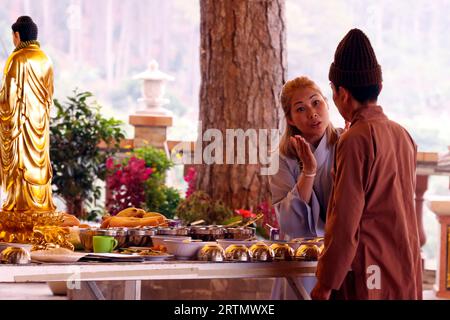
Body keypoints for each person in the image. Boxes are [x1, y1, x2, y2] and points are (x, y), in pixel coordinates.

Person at [311, 28, 422, 300]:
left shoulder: (355, 139)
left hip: (369, 272)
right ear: (379, 88)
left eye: (333, 92)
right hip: (404, 268)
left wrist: (325, 283)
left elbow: (345, 221)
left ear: (343, 94)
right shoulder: (402, 134)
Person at [269, 76, 342, 297]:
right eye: (300, 109)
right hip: (302, 256)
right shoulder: (280, 158)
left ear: (327, 103)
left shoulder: (346, 142)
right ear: (290, 119)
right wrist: (308, 171)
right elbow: (290, 222)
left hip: (340, 254)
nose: (312, 113)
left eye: (316, 102)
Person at [0, 16, 56, 241]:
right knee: (39, 165)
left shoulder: (17, 59)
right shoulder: (46, 60)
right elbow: (49, 96)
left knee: (20, 167)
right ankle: (40, 207)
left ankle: (20, 207)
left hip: (21, 126)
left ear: (17, 36)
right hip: (40, 125)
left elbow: (9, 98)